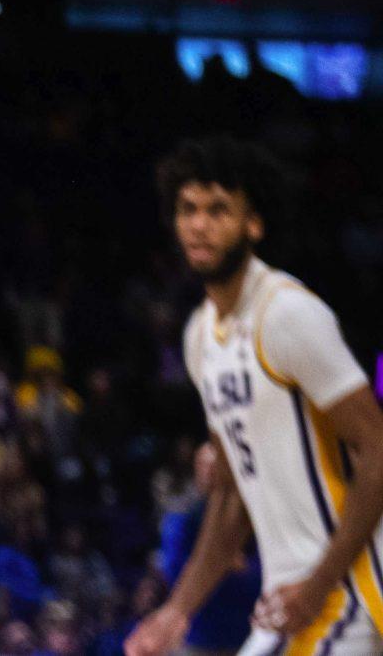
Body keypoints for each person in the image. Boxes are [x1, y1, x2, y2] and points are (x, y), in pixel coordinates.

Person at [126, 139, 383, 656]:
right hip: (288, 599)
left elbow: (378, 450)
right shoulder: (201, 336)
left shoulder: (287, 315)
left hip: (351, 588)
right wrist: (177, 610)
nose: (199, 225)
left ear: (254, 224)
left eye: (218, 210)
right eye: (188, 210)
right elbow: (231, 498)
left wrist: (317, 586)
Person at [155, 442, 261, 656]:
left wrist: (237, 568)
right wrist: (224, 565)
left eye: (216, 465)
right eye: (203, 465)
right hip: (201, 636)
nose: (209, 471)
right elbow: (174, 571)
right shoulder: (181, 518)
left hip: (250, 630)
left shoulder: (256, 514)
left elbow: (270, 567)